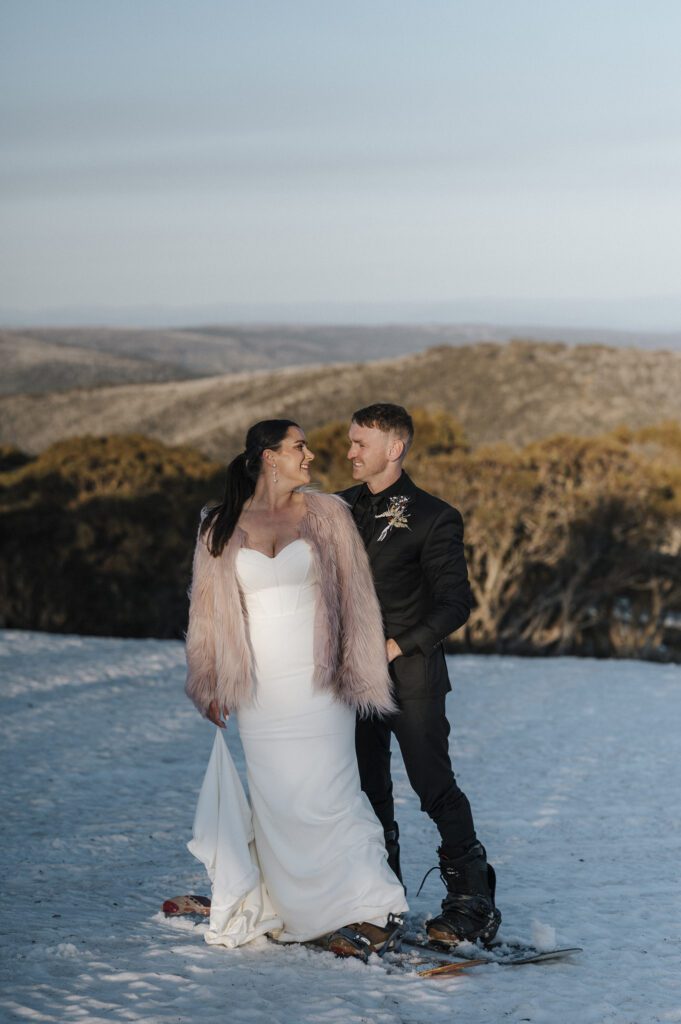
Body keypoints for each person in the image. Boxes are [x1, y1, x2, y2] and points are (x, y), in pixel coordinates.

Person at [184, 419, 408, 956]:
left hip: (320, 679)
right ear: (268, 456)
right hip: (259, 688)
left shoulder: (328, 513)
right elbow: (208, 612)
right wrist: (210, 679)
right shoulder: (219, 524)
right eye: (298, 446)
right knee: (278, 800)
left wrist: (360, 667)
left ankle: (370, 907)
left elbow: (356, 598)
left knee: (332, 794)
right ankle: (297, 908)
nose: (310, 455)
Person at [338, 403, 501, 946]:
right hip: (349, 680)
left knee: (433, 788)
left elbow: (457, 604)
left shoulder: (434, 516)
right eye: (350, 442)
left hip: (412, 677)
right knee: (366, 792)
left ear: (395, 448)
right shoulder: (337, 507)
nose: (350, 453)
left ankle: (472, 903)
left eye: (361, 443)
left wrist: (395, 645)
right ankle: (379, 900)